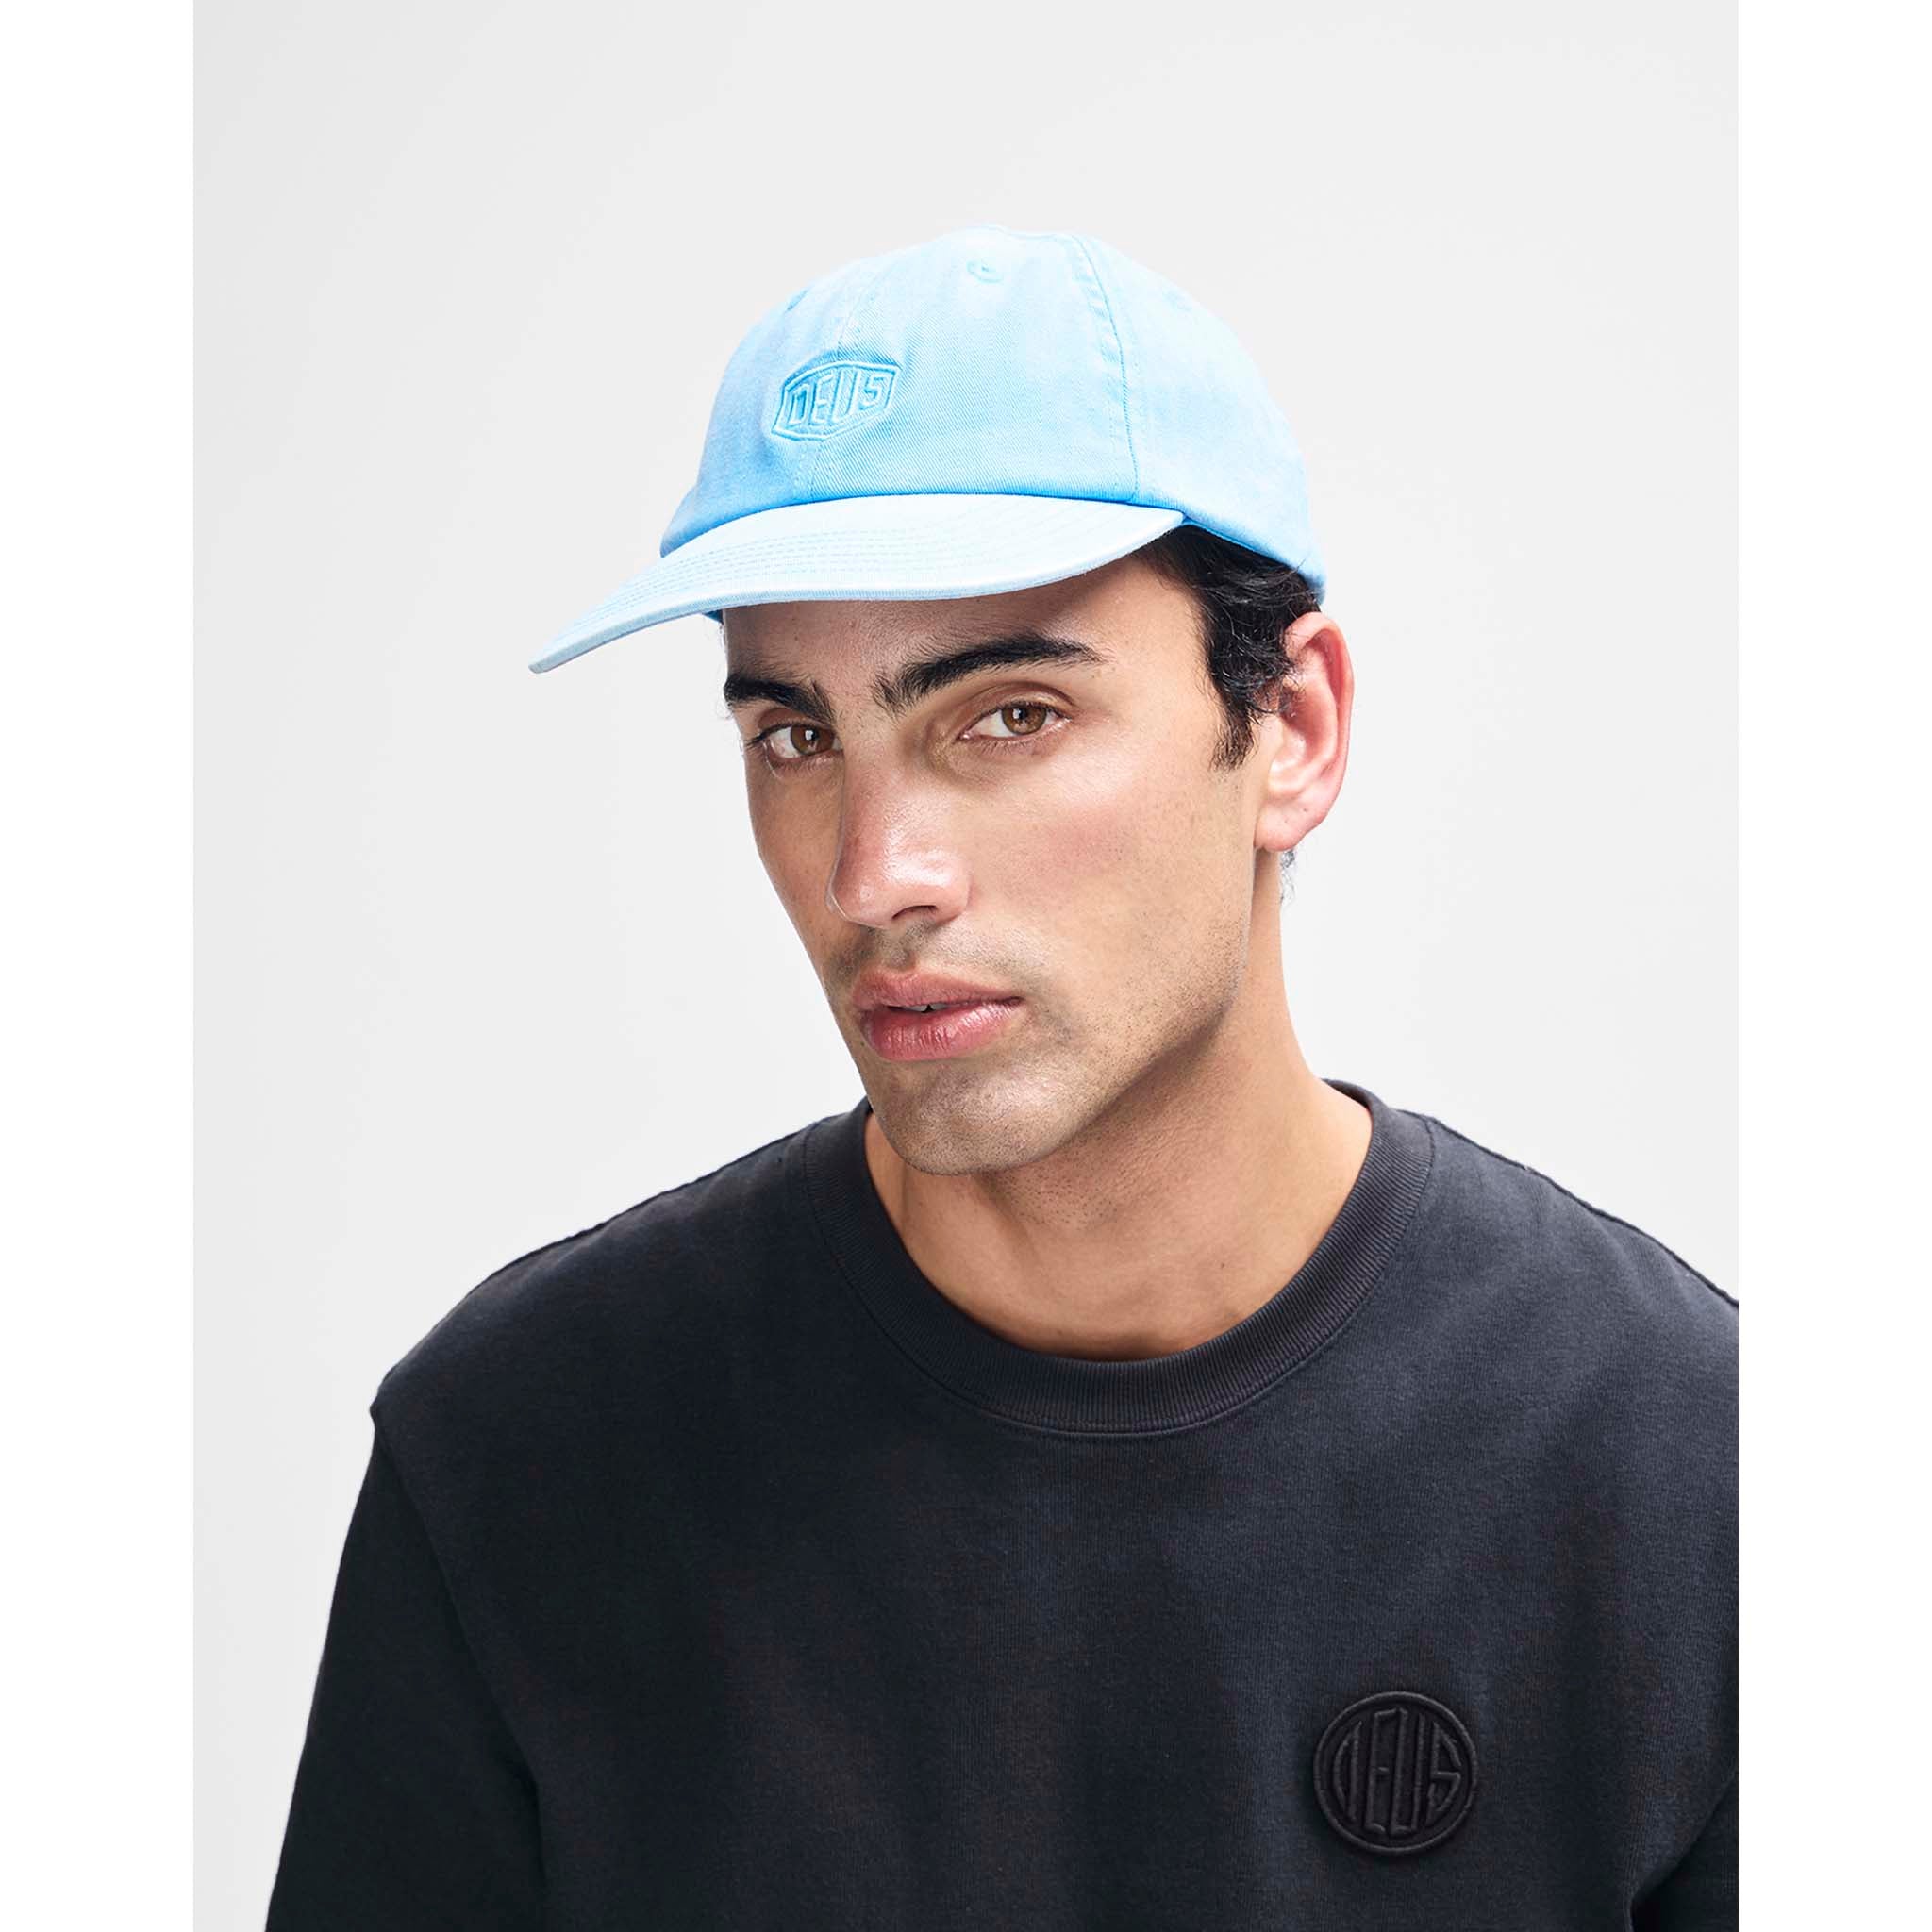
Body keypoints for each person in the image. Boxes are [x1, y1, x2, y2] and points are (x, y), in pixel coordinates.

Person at [265, 225, 1736, 1928]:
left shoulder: (1690, 1472)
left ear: (1292, 730)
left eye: (1010, 715)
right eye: (796, 736)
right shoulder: (522, 1455)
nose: (873, 872)